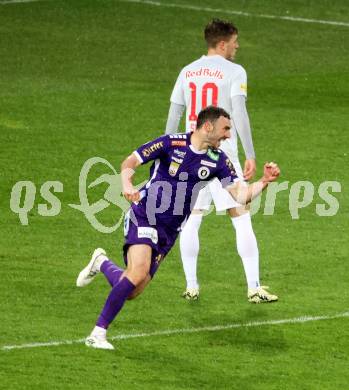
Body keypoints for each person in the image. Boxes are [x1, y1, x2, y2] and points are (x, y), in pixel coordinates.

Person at [76, 106, 280, 350]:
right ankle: (97, 334)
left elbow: (240, 195)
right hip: (145, 214)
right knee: (138, 271)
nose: (227, 135)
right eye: (225, 129)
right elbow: (130, 161)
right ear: (208, 126)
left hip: (169, 232)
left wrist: (264, 182)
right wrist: (127, 183)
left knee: (132, 290)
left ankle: (101, 262)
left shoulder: (218, 160)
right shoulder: (171, 143)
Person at [166, 19, 277, 303]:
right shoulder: (234, 71)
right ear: (223, 43)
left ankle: (191, 286)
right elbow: (238, 113)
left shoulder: (187, 71)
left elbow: (174, 115)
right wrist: (250, 153)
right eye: (235, 41)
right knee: (241, 216)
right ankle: (253, 287)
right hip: (222, 154)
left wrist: (170, 151)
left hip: (191, 154)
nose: (238, 46)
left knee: (191, 219)